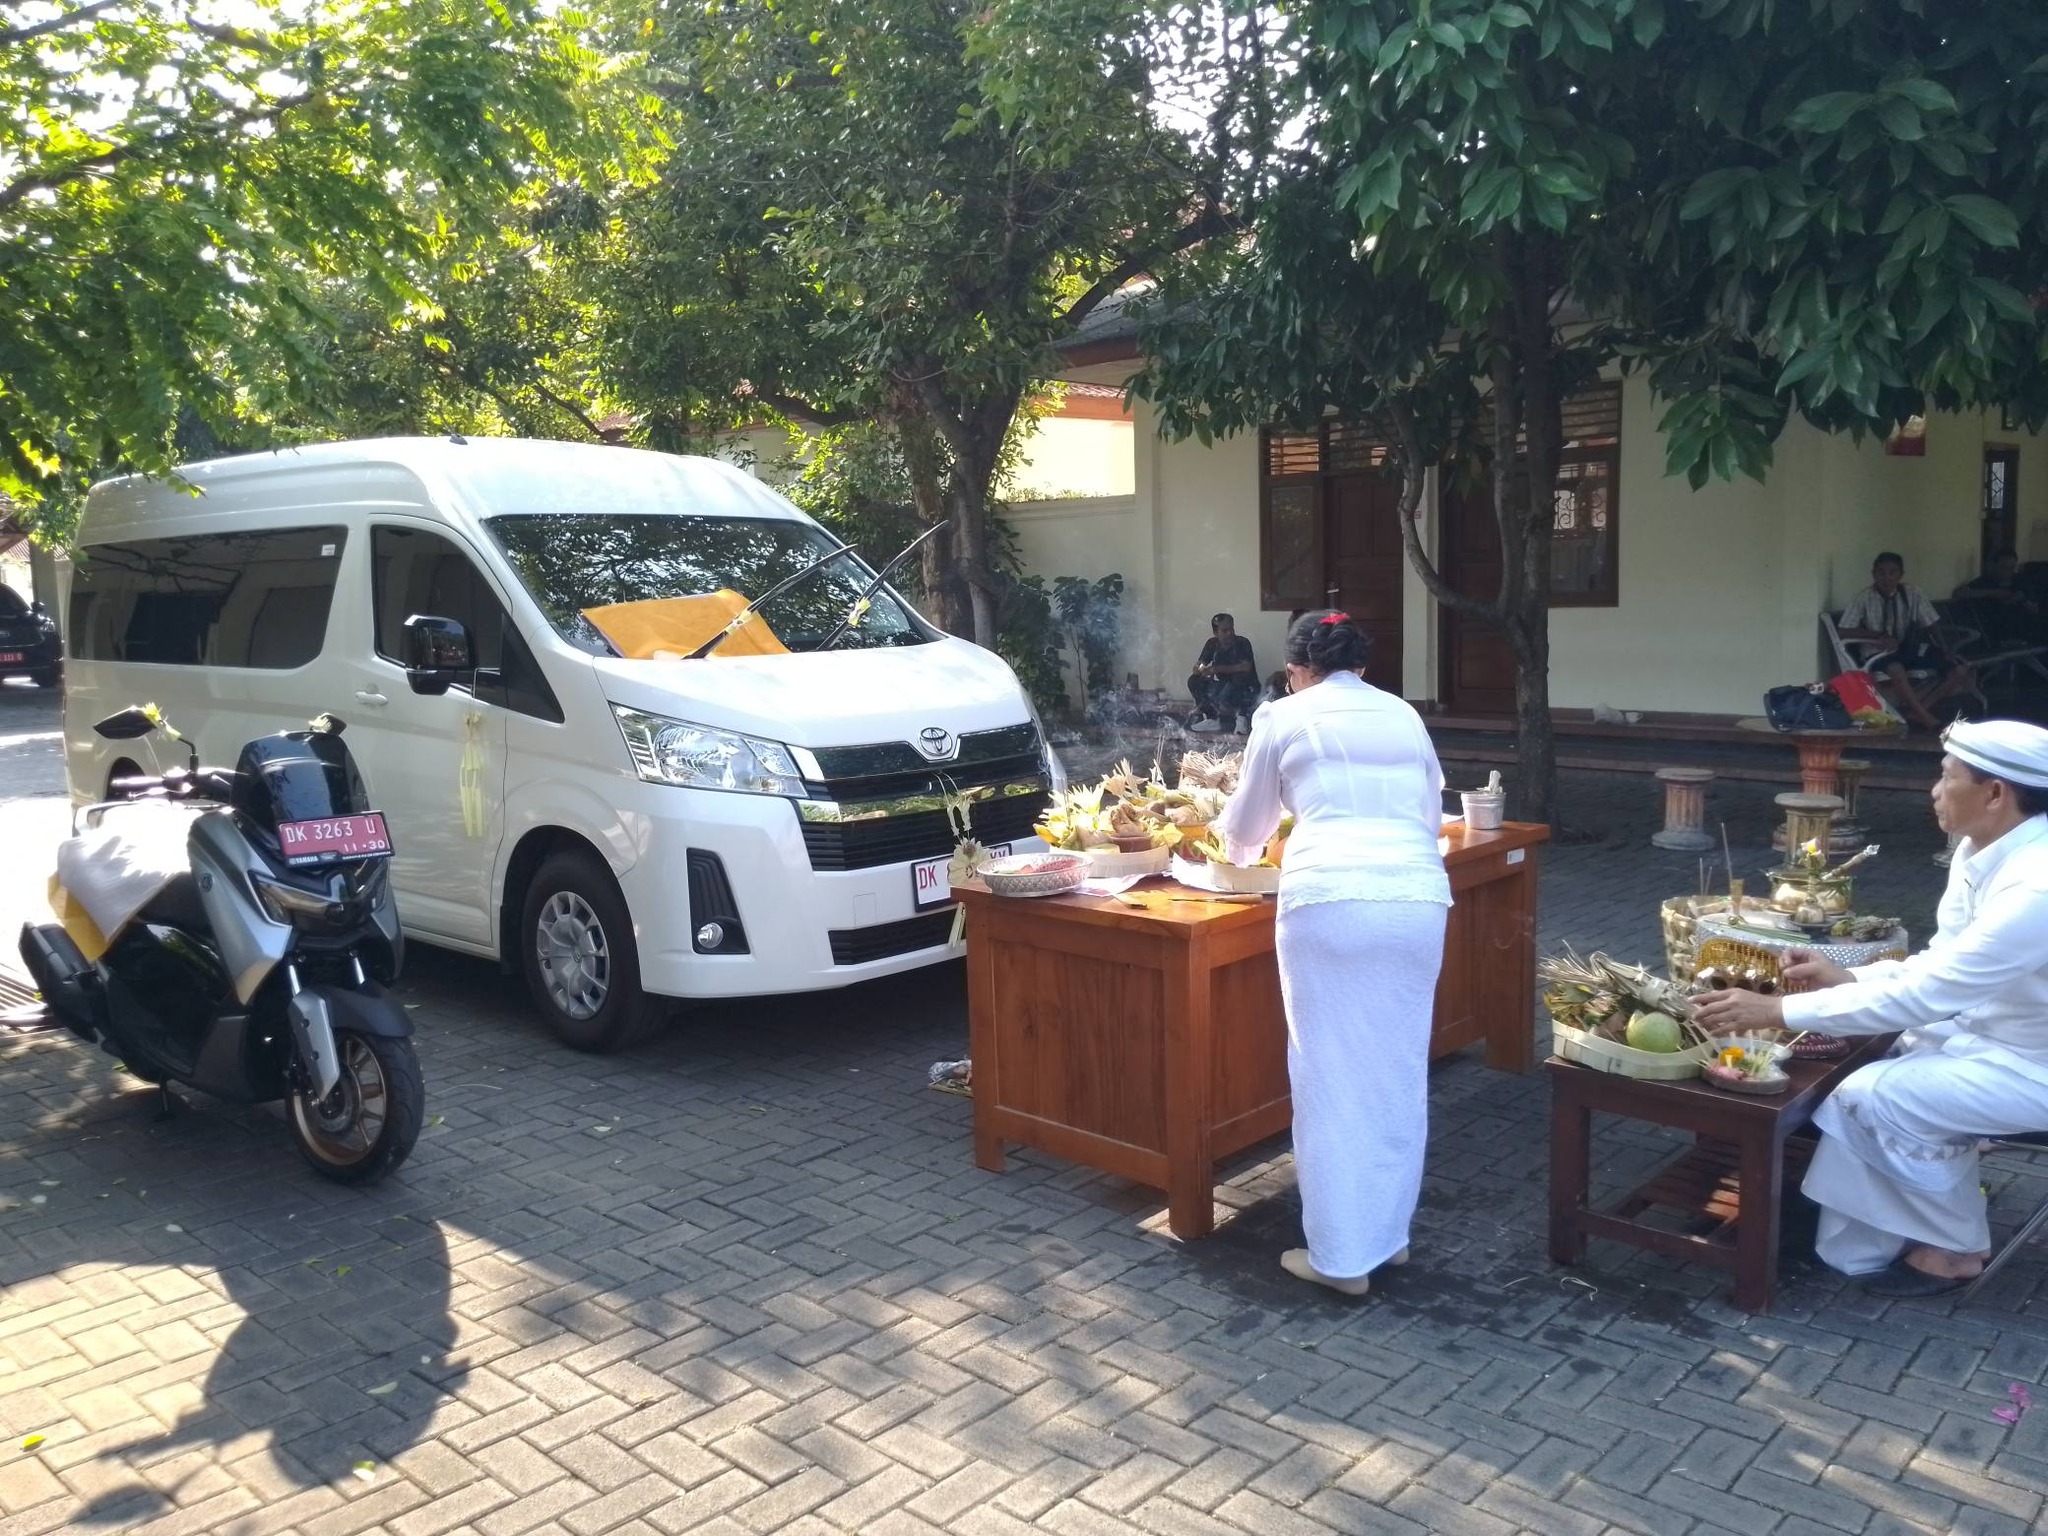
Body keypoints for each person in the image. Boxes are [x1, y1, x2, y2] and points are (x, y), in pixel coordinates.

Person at [1692, 719, 2048, 1296]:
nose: (1935, 790)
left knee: (1873, 1095)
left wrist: (1776, 1012)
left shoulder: (2036, 885)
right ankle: (1858, 1221)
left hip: (2035, 1066)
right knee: (1871, 1062)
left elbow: (1931, 993)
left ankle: (1955, 1249)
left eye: (1946, 776)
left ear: (1994, 793)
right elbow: (1942, 963)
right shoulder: (1981, 849)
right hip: (1996, 1035)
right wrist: (1848, 975)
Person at [1213, 610, 1451, 1297]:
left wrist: (1235, 855)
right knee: (1396, 1069)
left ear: (1296, 670)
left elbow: (1247, 826)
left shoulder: (1282, 714)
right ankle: (1387, 1237)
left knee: (1328, 1074)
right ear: (1362, 667)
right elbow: (1429, 815)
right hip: (1417, 900)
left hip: (1330, 901)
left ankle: (1341, 1258)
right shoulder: (1403, 714)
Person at [1837, 551, 1974, 730]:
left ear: (1900, 575)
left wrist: (1945, 648)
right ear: (1873, 574)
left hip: (1905, 648)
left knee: (1959, 669)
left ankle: (1918, 711)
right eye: (1881, 573)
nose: (1887, 578)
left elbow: (1931, 623)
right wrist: (1877, 636)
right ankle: (1926, 717)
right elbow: (1843, 631)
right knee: (1896, 668)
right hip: (1877, 653)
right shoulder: (1863, 598)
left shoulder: (1911, 593)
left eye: (1892, 572)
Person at [1955, 548, 2045, 648]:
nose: (2008, 571)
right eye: (2004, 567)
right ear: (1994, 566)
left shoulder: (2021, 581)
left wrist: (2023, 600)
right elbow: (1960, 593)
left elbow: (2035, 609)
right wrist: (1994, 593)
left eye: (2012, 567)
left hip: (2023, 631)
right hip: (1994, 632)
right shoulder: (1986, 580)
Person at [1187, 612, 1259, 732]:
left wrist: (1216, 669)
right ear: (1216, 633)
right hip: (1222, 687)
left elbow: (1246, 667)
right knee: (1194, 681)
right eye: (1224, 630)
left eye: (1231, 629)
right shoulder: (1212, 644)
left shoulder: (1242, 642)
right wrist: (1199, 669)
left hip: (1245, 688)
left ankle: (1241, 720)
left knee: (1238, 678)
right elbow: (1201, 663)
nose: (1229, 633)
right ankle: (1212, 718)